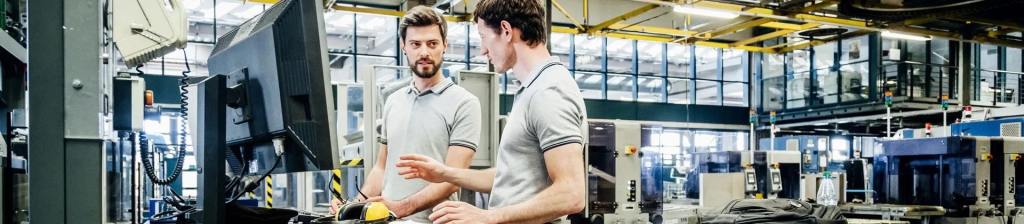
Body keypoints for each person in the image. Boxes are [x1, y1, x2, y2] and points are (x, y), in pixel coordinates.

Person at [395, 0, 588, 223]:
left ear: (506, 31)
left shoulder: (548, 91)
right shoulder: (533, 89)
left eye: (483, 36)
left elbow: (571, 193)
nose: (483, 49)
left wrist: (489, 217)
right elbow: (512, 177)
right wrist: (445, 173)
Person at [331, 6, 481, 223]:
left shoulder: (465, 103)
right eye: (415, 44)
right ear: (404, 47)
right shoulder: (394, 101)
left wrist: (400, 208)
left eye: (432, 43)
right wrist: (353, 207)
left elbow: (452, 179)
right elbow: (382, 168)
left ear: (445, 45)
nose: (424, 53)